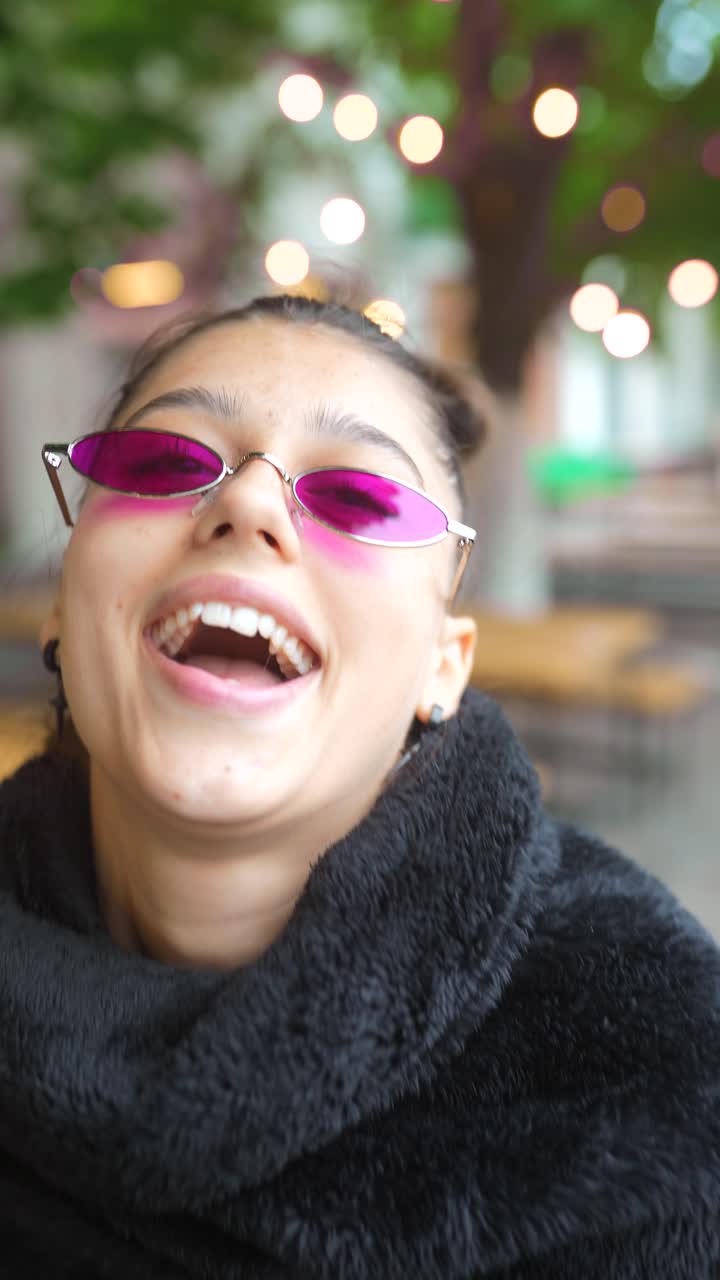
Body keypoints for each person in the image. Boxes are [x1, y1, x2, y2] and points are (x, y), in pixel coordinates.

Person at [0, 293, 717, 1279]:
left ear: (443, 665)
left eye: (361, 498)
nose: (251, 505)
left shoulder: (654, 1063)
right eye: (165, 462)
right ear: (64, 599)